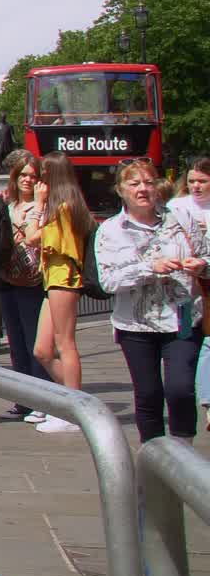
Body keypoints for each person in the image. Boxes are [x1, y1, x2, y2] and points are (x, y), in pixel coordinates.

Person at [96, 157, 205, 443]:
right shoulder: (110, 230)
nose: (143, 189)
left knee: (180, 389)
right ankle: (152, 457)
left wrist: (200, 265)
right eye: (134, 184)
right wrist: (150, 268)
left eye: (148, 182)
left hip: (182, 316)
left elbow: (206, 256)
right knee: (148, 393)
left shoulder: (182, 220)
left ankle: (183, 455)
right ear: (121, 190)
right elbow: (108, 281)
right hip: (135, 325)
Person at [32, 152, 96, 433]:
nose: (38, 181)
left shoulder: (64, 208)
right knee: (42, 350)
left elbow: (33, 237)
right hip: (54, 280)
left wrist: (37, 204)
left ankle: (75, 411)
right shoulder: (64, 206)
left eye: (42, 175)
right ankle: (76, 399)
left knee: (64, 343)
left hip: (64, 279)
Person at [0, 154, 50, 422]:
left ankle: (41, 400)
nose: (27, 179)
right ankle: (23, 400)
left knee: (34, 340)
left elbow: (37, 237)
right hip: (6, 277)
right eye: (22, 175)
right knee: (15, 341)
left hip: (31, 279)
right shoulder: (7, 203)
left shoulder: (43, 206)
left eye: (32, 176)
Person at [168, 158, 210, 422]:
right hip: (185, 290)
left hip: (208, 288)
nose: (196, 186)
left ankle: (207, 402)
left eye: (203, 181)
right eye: (192, 180)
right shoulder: (176, 207)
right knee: (185, 343)